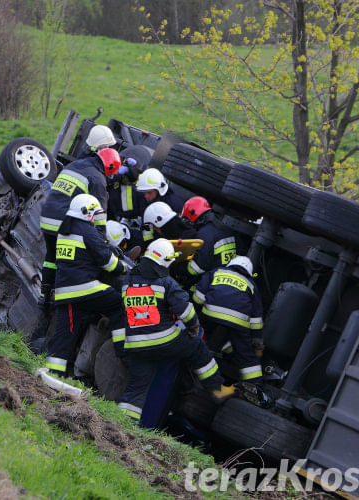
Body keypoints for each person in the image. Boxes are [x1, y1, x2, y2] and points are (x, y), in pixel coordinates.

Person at [118, 238, 234, 421]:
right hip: (164, 339)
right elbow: (185, 311)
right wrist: (193, 327)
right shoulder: (166, 282)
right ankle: (218, 390)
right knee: (197, 348)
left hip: (136, 345)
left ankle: (121, 424)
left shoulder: (129, 280)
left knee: (136, 388)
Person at [37, 124, 120, 326]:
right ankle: (63, 298)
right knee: (75, 258)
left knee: (51, 257)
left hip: (46, 218)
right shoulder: (97, 179)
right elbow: (99, 219)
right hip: (63, 222)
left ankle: (44, 294)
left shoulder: (75, 165)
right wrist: (103, 244)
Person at [45, 194, 127, 377]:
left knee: (64, 336)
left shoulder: (64, 229)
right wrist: (124, 269)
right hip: (85, 288)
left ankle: (52, 375)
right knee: (119, 304)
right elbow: (109, 263)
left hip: (64, 293)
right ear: (87, 212)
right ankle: (122, 350)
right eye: (96, 214)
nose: (97, 219)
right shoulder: (87, 231)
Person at [193, 256, 265, 384]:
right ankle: (256, 387)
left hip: (210, 315)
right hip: (237, 324)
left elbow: (198, 298)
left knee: (202, 333)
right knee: (246, 355)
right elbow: (256, 319)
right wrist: (257, 342)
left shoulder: (216, 272)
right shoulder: (251, 285)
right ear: (248, 272)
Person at [180, 196, 237, 281]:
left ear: (192, 214)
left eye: (188, 220)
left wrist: (178, 268)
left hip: (214, 279)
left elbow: (199, 267)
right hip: (230, 275)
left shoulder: (204, 234)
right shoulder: (224, 225)